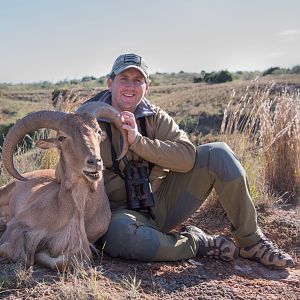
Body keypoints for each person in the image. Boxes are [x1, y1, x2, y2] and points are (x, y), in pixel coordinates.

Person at [82, 53, 294, 269]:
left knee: (218, 153)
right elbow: (66, 173)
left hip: (160, 203)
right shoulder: (86, 119)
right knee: (120, 237)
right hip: (118, 215)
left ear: (148, 87)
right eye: (123, 79)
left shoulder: (155, 116)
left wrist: (138, 142)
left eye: (138, 80)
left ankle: (251, 242)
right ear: (110, 83)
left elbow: (187, 157)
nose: (130, 86)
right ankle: (198, 242)